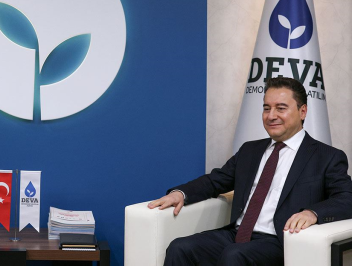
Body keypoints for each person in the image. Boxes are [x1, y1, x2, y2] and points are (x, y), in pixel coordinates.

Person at [148, 76, 352, 266]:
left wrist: (313, 213)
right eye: (266, 108)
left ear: (303, 111)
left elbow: (347, 198)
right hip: (237, 234)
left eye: (281, 108)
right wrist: (180, 193)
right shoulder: (250, 150)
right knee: (180, 247)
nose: (271, 116)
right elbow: (215, 181)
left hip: (280, 241)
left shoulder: (327, 157)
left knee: (234, 255)